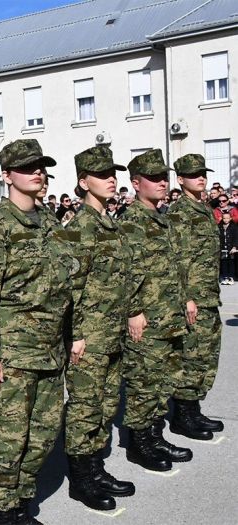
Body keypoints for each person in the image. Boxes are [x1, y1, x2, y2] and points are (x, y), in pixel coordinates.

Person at [0, 139, 83, 525]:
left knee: (45, 435)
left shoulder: (50, 223)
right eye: (29, 167)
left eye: (42, 167)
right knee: (8, 439)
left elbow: (66, 286)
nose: (38, 173)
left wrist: (71, 337)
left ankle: (20, 499)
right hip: (11, 355)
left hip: (49, 352)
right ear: (8, 176)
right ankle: (3, 509)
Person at [64, 146, 135, 511]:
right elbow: (70, 289)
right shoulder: (80, 228)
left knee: (106, 405)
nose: (112, 179)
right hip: (89, 339)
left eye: (114, 173)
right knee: (85, 408)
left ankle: (95, 467)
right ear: (83, 181)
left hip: (111, 335)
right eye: (103, 174)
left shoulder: (110, 223)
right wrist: (75, 335)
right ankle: (81, 479)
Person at [118, 149, 192, 472]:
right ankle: (139, 443)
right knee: (143, 383)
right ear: (136, 183)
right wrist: (134, 310)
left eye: (164, 177)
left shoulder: (162, 219)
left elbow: (175, 266)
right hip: (147, 321)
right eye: (154, 178)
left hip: (169, 317)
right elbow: (126, 271)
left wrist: (186, 298)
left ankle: (155, 434)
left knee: (163, 381)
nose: (162, 182)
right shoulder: (130, 221)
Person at [167, 154, 226, 439]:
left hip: (209, 296)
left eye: (203, 173)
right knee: (190, 356)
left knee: (205, 355)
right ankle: (183, 415)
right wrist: (186, 298)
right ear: (180, 179)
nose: (201, 178)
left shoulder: (202, 209)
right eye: (194, 175)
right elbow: (176, 260)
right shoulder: (179, 214)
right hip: (193, 298)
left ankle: (194, 409)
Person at [217, 212, 238, 284]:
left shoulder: (234, 227)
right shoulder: (219, 226)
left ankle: (231, 277)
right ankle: (225, 277)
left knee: (231, 262)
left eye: (227, 218)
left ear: (230, 218)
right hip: (222, 248)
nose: (225, 220)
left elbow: (236, 238)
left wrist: (234, 247)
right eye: (224, 218)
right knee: (223, 262)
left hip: (231, 248)